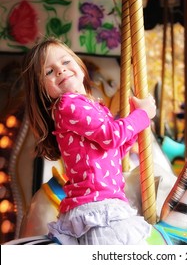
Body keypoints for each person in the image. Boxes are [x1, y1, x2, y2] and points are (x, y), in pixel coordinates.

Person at [21, 37, 156, 245]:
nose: (60, 70)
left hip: (107, 204)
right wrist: (142, 115)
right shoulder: (67, 104)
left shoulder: (90, 105)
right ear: (43, 90)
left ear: (80, 67)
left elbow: (113, 152)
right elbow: (111, 135)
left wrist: (137, 129)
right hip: (97, 208)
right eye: (49, 71)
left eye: (66, 62)